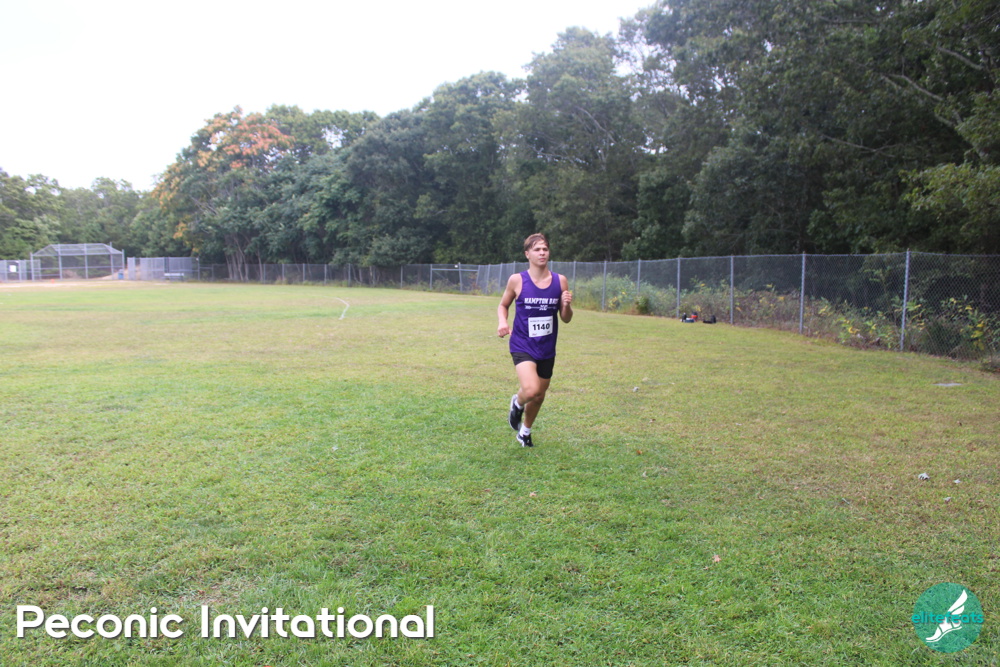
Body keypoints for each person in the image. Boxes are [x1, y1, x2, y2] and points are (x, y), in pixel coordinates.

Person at [497, 233, 573, 447]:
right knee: (531, 390)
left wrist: (566, 305)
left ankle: (525, 432)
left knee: (539, 395)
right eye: (537, 249)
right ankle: (517, 402)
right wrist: (502, 322)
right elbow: (503, 305)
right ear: (527, 254)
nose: (542, 253)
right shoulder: (517, 280)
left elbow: (566, 318)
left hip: (547, 347)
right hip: (522, 343)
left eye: (545, 249)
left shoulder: (560, 281)